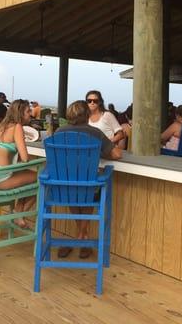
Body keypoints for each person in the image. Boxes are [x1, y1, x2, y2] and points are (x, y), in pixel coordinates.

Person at [55, 100, 122, 259]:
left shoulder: (58, 132)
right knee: (87, 191)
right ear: (87, 115)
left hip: (63, 188)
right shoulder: (95, 133)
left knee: (74, 192)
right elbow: (116, 155)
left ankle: (79, 236)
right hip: (88, 187)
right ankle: (82, 238)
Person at [0, 99, 38, 227]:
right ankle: (19, 214)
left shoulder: (1, 126)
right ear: (20, 113)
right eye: (27, 111)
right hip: (1, 180)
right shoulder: (17, 127)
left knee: (27, 175)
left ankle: (18, 212)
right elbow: (25, 158)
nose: (30, 113)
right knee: (41, 179)